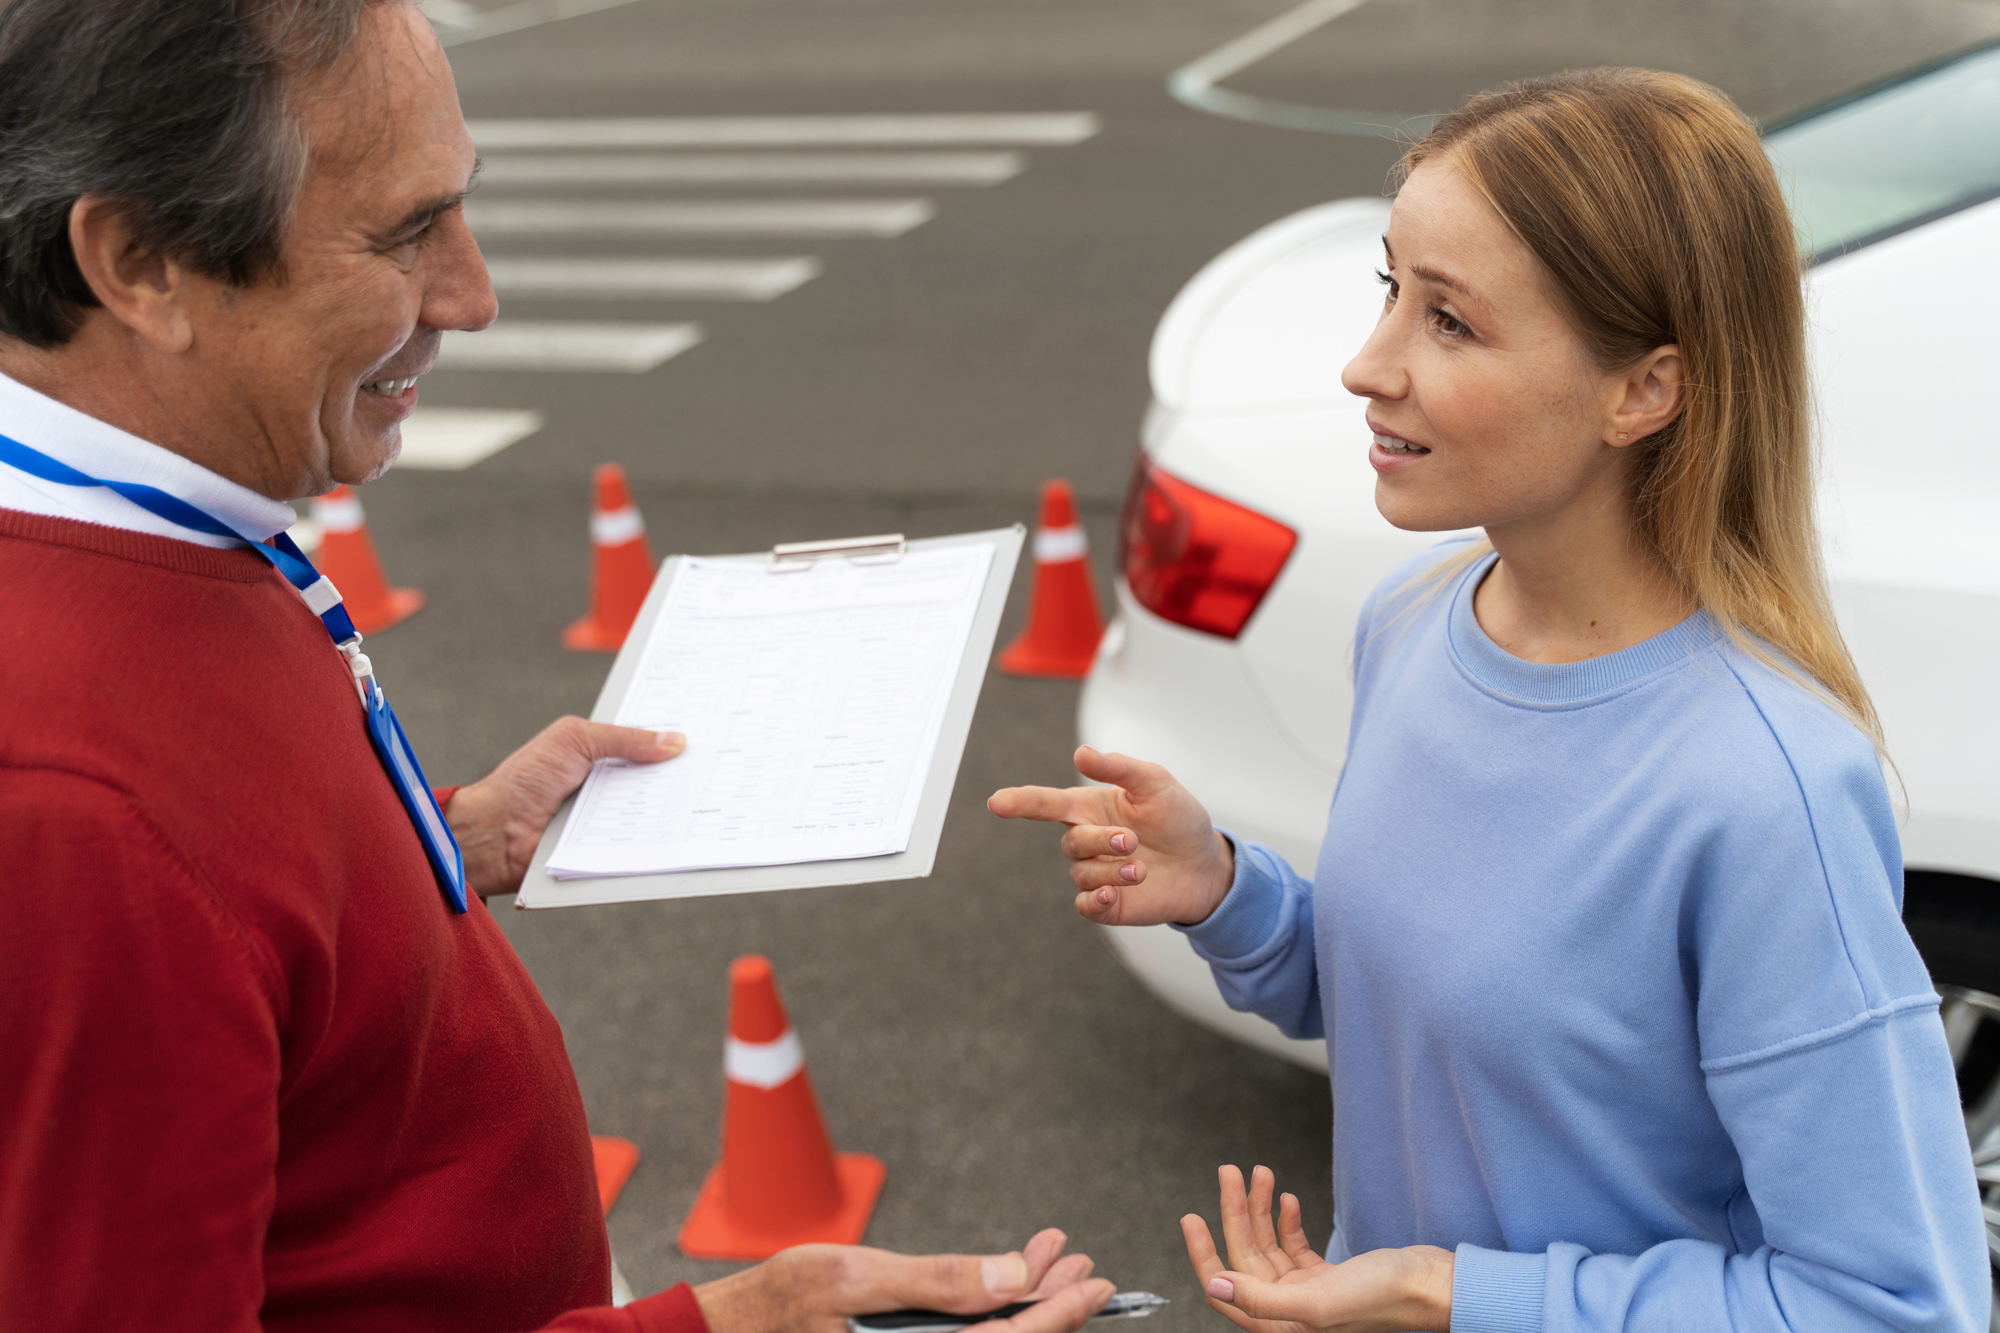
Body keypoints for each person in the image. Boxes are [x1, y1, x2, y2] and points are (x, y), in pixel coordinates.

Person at [0, 2, 1119, 1330]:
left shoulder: (145, 526)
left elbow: (231, 927)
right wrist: (723, 1325)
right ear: (142, 262)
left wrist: (445, 842)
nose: (474, 296)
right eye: (408, 231)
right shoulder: (74, 811)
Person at [991, 68, 1990, 1333]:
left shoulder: (1762, 790)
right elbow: (1451, 1025)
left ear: (1645, 391)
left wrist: (1433, 1290)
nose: (1366, 365)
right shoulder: (1411, 624)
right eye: (1387, 291)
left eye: (1449, 322)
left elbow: (1892, 1305)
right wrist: (1230, 896)